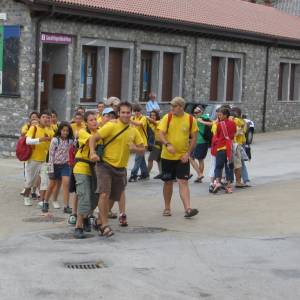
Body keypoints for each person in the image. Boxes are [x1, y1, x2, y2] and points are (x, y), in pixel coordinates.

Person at [89, 101, 145, 237]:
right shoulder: (111, 126)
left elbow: (143, 150)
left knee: (113, 197)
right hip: (105, 165)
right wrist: (92, 152)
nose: (126, 115)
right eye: (123, 112)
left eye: (128, 112)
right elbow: (93, 138)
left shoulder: (133, 130)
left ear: (131, 113)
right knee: (104, 194)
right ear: (118, 113)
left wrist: (135, 148)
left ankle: (98, 220)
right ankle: (104, 225)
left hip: (120, 168)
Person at [158, 97, 199, 218]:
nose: (172, 108)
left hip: (182, 157)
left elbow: (194, 138)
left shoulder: (191, 119)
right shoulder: (167, 117)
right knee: (168, 182)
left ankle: (188, 209)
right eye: (171, 106)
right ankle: (167, 207)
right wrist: (167, 144)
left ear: (181, 107)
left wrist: (188, 153)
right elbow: (160, 133)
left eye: (174, 106)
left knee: (183, 181)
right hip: (167, 156)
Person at [72, 111, 99, 239]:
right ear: (86, 123)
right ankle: (78, 225)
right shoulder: (83, 132)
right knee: (84, 196)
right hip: (82, 167)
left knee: (94, 198)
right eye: (91, 120)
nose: (94, 122)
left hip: (95, 169)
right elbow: (91, 141)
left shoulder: (100, 132)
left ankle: (87, 217)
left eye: (95, 119)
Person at [42, 122, 74, 213]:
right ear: (60, 130)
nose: (65, 133)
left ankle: (66, 206)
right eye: (63, 130)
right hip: (54, 165)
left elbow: (76, 145)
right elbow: (51, 155)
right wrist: (50, 170)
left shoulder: (70, 141)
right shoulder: (55, 140)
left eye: (67, 131)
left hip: (65, 165)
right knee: (52, 185)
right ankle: (45, 202)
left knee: (66, 184)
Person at [23, 112, 53, 206]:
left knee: (45, 181)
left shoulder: (50, 131)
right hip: (33, 159)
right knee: (30, 181)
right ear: (39, 119)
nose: (46, 119)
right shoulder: (34, 128)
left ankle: (41, 200)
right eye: (43, 117)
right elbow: (27, 141)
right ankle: (26, 197)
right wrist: (40, 140)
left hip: (45, 160)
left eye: (48, 118)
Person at [211, 107, 236, 193]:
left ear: (225, 115)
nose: (219, 116)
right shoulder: (233, 123)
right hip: (229, 148)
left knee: (218, 166)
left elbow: (217, 135)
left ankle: (217, 182)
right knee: (229, 167)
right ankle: (229, 186)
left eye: (220, 115)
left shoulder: (219, 124)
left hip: (221, 148)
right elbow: (233, 135)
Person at [190, 105, 212, 183]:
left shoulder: (198, 119)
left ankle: (199, 174)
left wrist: (200, 121)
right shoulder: (206, 117)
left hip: (199, 141)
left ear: (201, 112)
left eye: (197, 112)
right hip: (204, 141)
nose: (195, 113)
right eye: (194, 112)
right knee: (200, 159)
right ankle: (200, 176)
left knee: (191, 158)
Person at [129, 104, 149, 181]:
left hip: (143, 142)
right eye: (135, 111)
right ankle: (145, 174)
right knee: (141, 159)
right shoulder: (132, 117)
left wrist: (130, 120)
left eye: (138, 111)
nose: (137, 112)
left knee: (138, 159)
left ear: (141, 111)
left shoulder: (143, 118)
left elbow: (139, 124)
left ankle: (133, 175)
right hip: (135, 142)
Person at [147, 110, 162, 179]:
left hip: (158, 143)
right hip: (156, 143)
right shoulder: (150, 124)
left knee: (150, 159)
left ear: (157, 116)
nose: (152, 116)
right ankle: (161, 173)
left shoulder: (159, 122)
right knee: (159, 160)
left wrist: (146, 117)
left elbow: (154, 122)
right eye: (151, 115)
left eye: (154, 115)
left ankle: (147, 174)